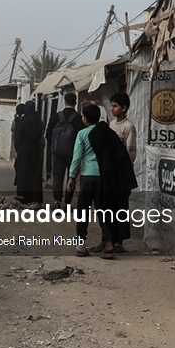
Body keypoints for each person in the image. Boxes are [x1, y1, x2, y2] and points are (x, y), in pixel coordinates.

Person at [67, 104, 116, 259]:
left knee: (83, 209)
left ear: (85, 118)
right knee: (102, 208)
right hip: (102, 176)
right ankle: (108, 242)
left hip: (88, 176)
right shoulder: (106, 133)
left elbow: (77, 158)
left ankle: (81, 244)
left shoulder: (82, 134)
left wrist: (71, 177)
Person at [87, 109, 138, 254]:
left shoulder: (126, 129)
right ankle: (108, 240)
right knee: (113, 210)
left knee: (109, 210)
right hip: (118, 182)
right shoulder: (111, 143)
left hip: (115, 183)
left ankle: (114, 241)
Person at [46, 92, 86, 209]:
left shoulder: (56, 117)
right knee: (71, 176)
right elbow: (81, 136)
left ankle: (57, 200)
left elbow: (48, 134)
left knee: (58, 176)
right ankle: (67, 203)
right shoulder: (79, 118)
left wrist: (54, 146)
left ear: (65, 102)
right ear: (75, 102)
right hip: (73, 153)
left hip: (58, 153)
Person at [13, 101, 44, 203]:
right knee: (35, 174)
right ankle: (35, 199)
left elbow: (18, 136)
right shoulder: (38, 120)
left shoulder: (23, 120)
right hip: (36, 149)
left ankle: (23, 197)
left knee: (23, 173)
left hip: (24, 149)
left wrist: (17, 149)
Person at [109, 92, 137, 165]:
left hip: (123, 166)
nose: (112, 109)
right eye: (111, 106)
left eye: (115, 106)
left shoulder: (128, 126)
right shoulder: (111, 124)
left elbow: (130, 151)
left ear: (124, 108)